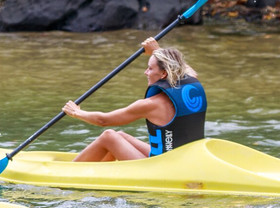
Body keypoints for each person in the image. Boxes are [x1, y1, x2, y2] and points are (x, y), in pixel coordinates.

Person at [61, 37, 205, 161]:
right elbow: (184, 68)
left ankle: (67, 173)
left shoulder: (150, 105)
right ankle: (101, 173)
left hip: (162, 167)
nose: (146, 72)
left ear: (163, 74)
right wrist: (157, 51)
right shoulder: (193, 85)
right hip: (183, 161)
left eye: (150, 68)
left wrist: (76, 112)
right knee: (121, 136)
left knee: (109, 136)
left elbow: (103, 120)